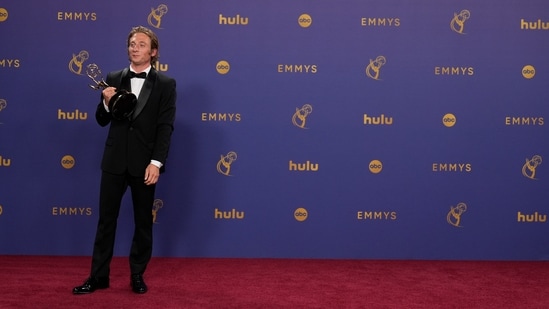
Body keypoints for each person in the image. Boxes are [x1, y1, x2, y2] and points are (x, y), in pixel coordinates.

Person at [73, 25, 176, 295]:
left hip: (144, 165)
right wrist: (107, 101)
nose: (134, 47)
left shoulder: (166, 84)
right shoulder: (113, 77)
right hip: (114, 162)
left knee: (143, 222)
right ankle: (98, 277)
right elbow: (101, 119)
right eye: (132, 43)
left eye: (141, 44)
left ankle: (137, 274)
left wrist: (156, 163)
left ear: (153, 52)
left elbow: (165, 127)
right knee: (106, 221)